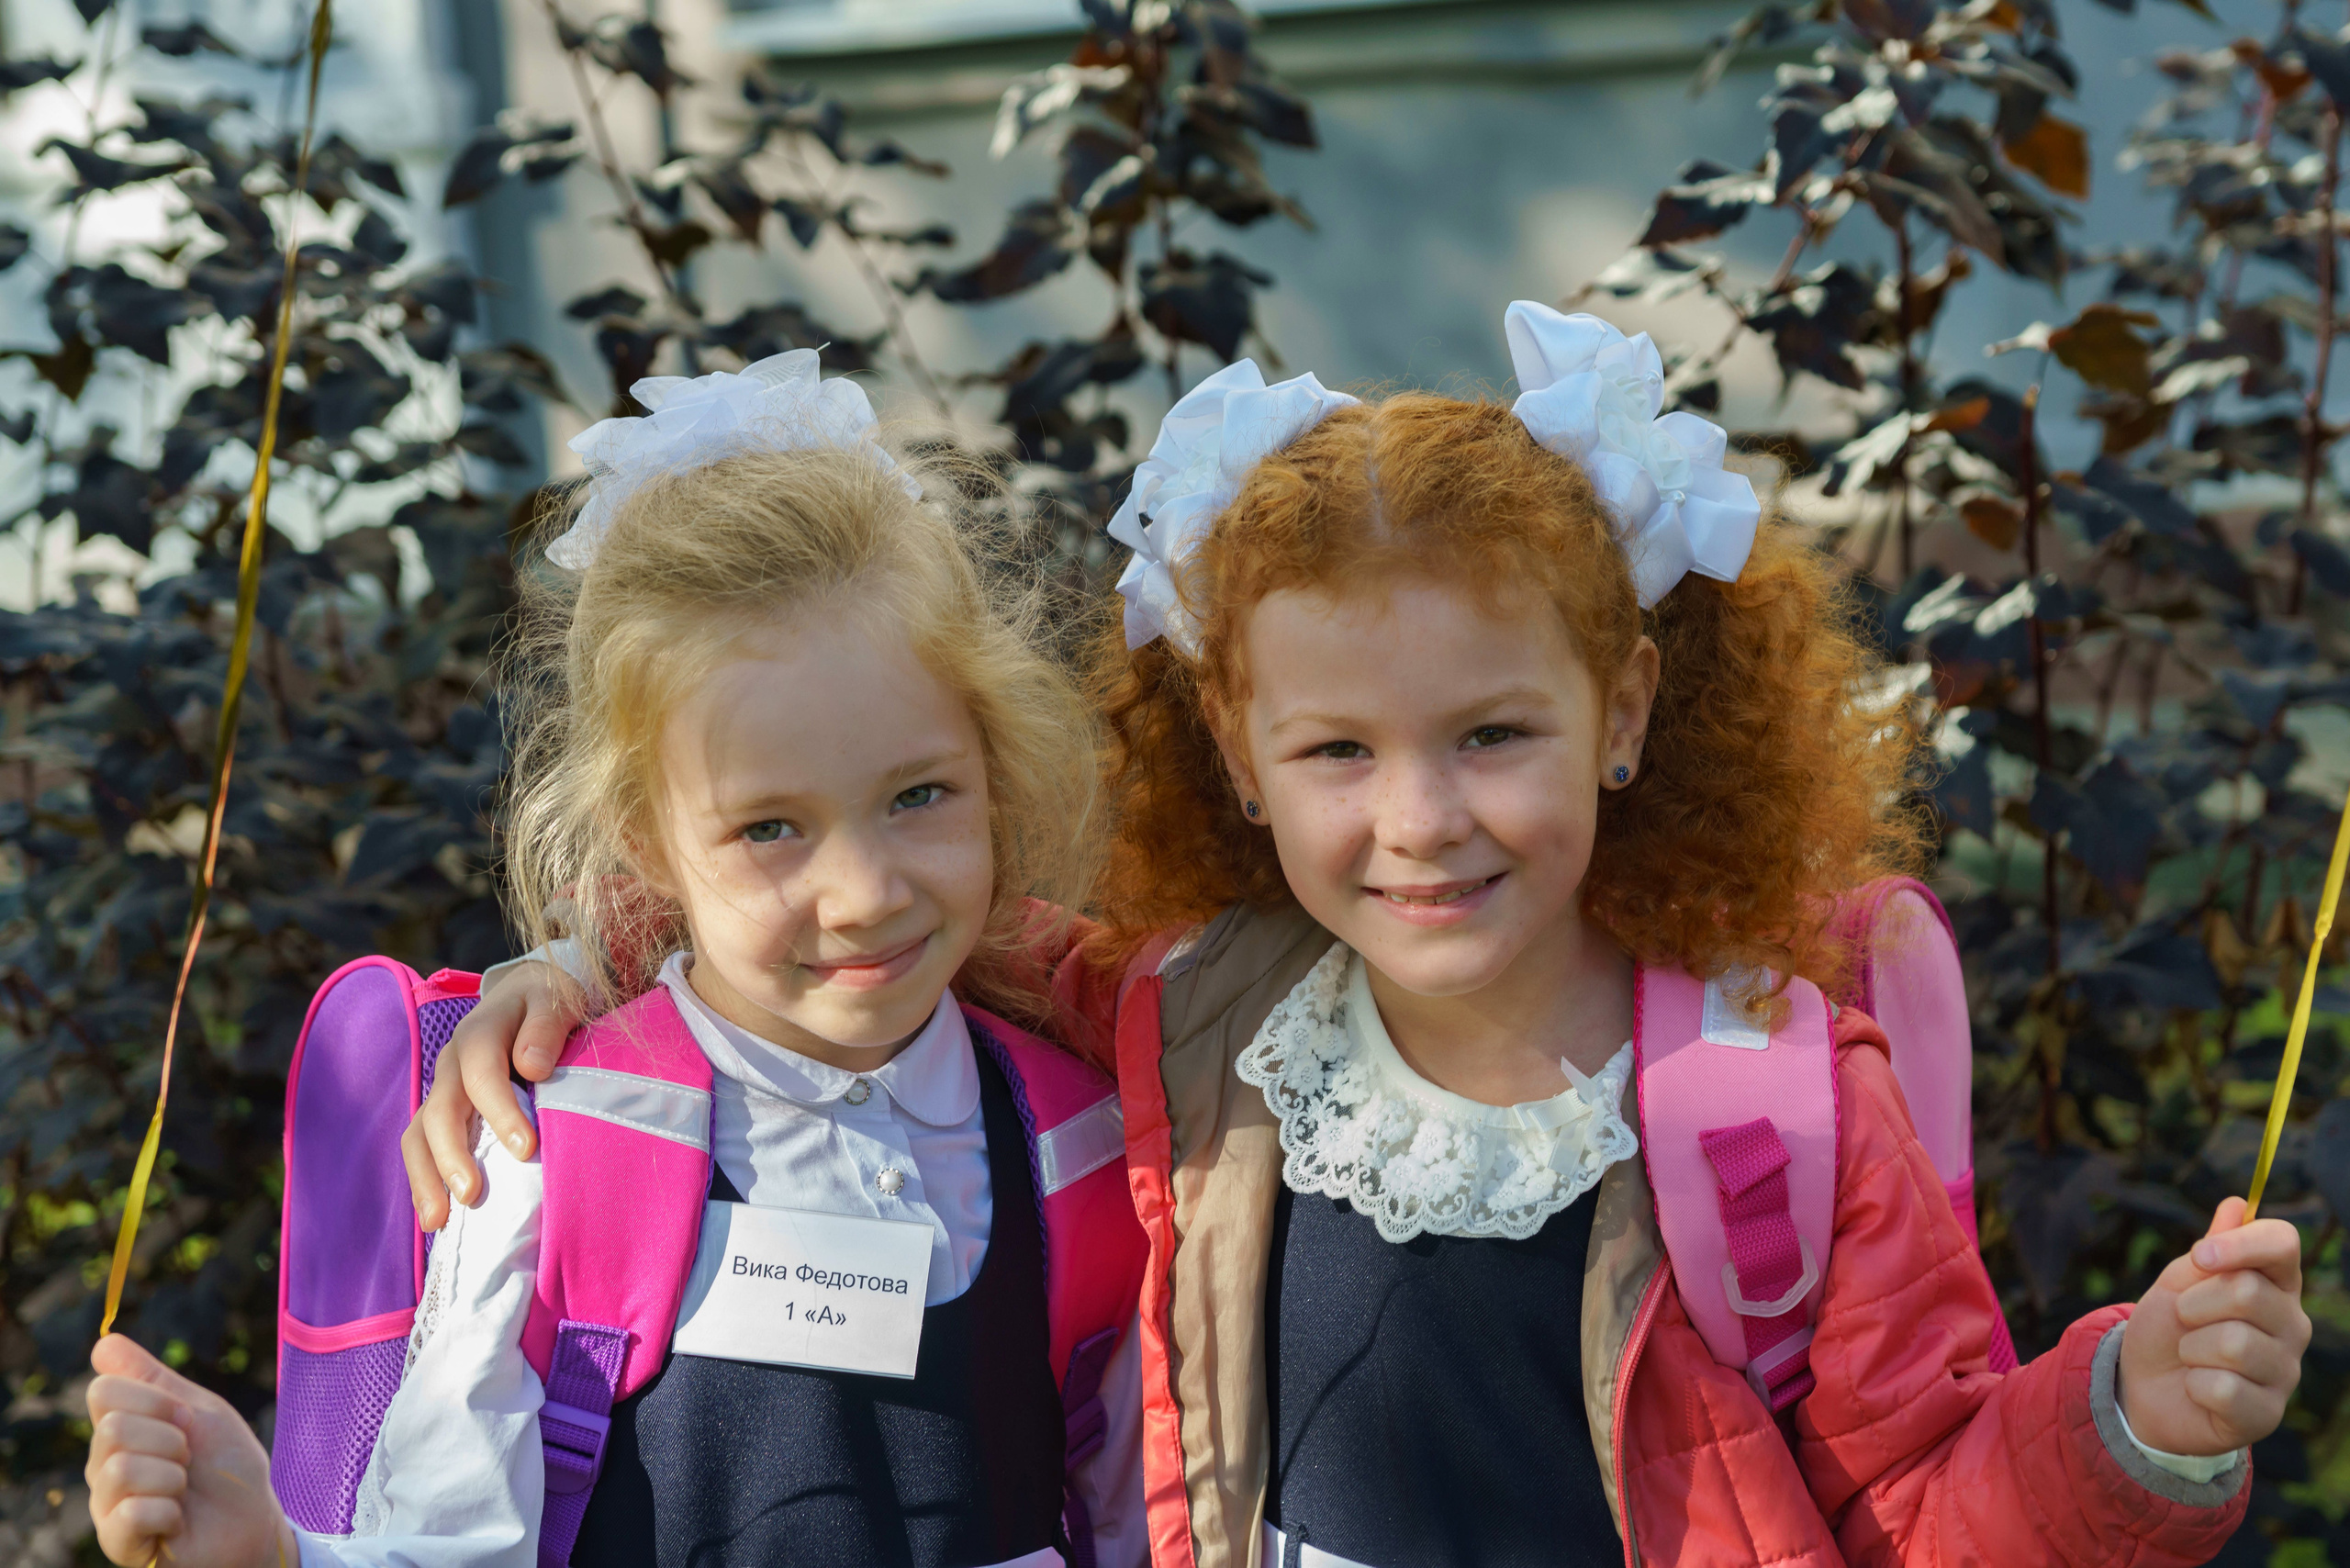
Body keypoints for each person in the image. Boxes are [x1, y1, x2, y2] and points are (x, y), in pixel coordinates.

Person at [398, 308, 2305, 1568]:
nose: (1417, 819)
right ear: (1236, 751)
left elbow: (1916, 1500)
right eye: (1334, 749)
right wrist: (586, 968)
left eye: (1491, 732)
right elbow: (871, 924)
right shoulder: (1190, 1019)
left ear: (1624, 708)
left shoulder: (1763, 1095)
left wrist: (2125, 1418)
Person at [83, 353, 1148, 1568]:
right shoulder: (563, 1143)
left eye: (919, 795)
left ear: (994, 768)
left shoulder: (1079, 1144)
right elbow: (450, 1543)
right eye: (769, 828)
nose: (864, 893)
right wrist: (269, 1554)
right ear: (649, 838)